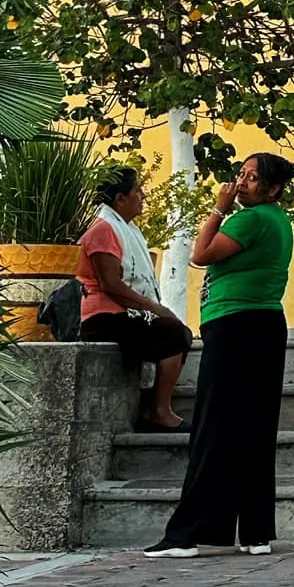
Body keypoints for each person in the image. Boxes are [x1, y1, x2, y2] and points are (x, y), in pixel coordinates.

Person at [144, 152, 294, 558]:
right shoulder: (278, 220)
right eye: (241, 174)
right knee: (254, 428)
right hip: (262, 325)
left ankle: (186, 535)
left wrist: (218, 209)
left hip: (237, 327)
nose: (242, 182)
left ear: (273, 189)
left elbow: (201, 254)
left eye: (252, 177)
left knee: (214, 427)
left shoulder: (250, 219)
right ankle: (255, 532)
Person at [77, 164, 192, 430]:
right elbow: (111, 285)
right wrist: (156, 309)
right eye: (138, 191)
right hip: (103, 318)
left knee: (179, 332)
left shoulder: (125, 229)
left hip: (123, 314)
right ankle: (159, 411)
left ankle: (157, 407)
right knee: (174, 333)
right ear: (120, 199)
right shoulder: (103, 229)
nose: (144, 196)